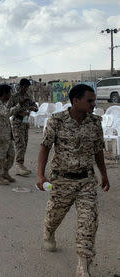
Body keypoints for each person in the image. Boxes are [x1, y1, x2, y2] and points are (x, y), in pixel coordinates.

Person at [37, 84, 110, 277]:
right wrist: (40, 174)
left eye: (94, 100)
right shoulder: (57, 120)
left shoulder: (95, 122)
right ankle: (49, 231)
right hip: (62, 181)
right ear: (75, 101)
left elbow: (98, 151)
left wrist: (103, 174)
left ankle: (83, 266)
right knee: (54, 216)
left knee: (89, 222)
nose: (94, 104)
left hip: (86, 181)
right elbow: (45, 147)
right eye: (90, 100)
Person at [7, 78, 38, 176]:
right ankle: (18, 166)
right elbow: (8, 110)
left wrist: (33, 108)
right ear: (20, 86)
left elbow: (35, 106)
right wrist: (19, 110)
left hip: (25, 123)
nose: (26, 89)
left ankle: (21, 164)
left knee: (24, 144)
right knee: (20, 144)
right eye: (24, 87)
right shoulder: (14, 97)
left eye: (27, 87)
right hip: (17, 123)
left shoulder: (27, 96)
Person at [0, 84, 18, 185]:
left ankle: (5, 173)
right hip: (0, 137)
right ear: (4, 93)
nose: (10, 95)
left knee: (11, 156)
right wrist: (18, 106)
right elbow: (7, 113)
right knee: (0, 158)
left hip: (7, 136)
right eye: (9, 93)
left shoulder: (3, 103)